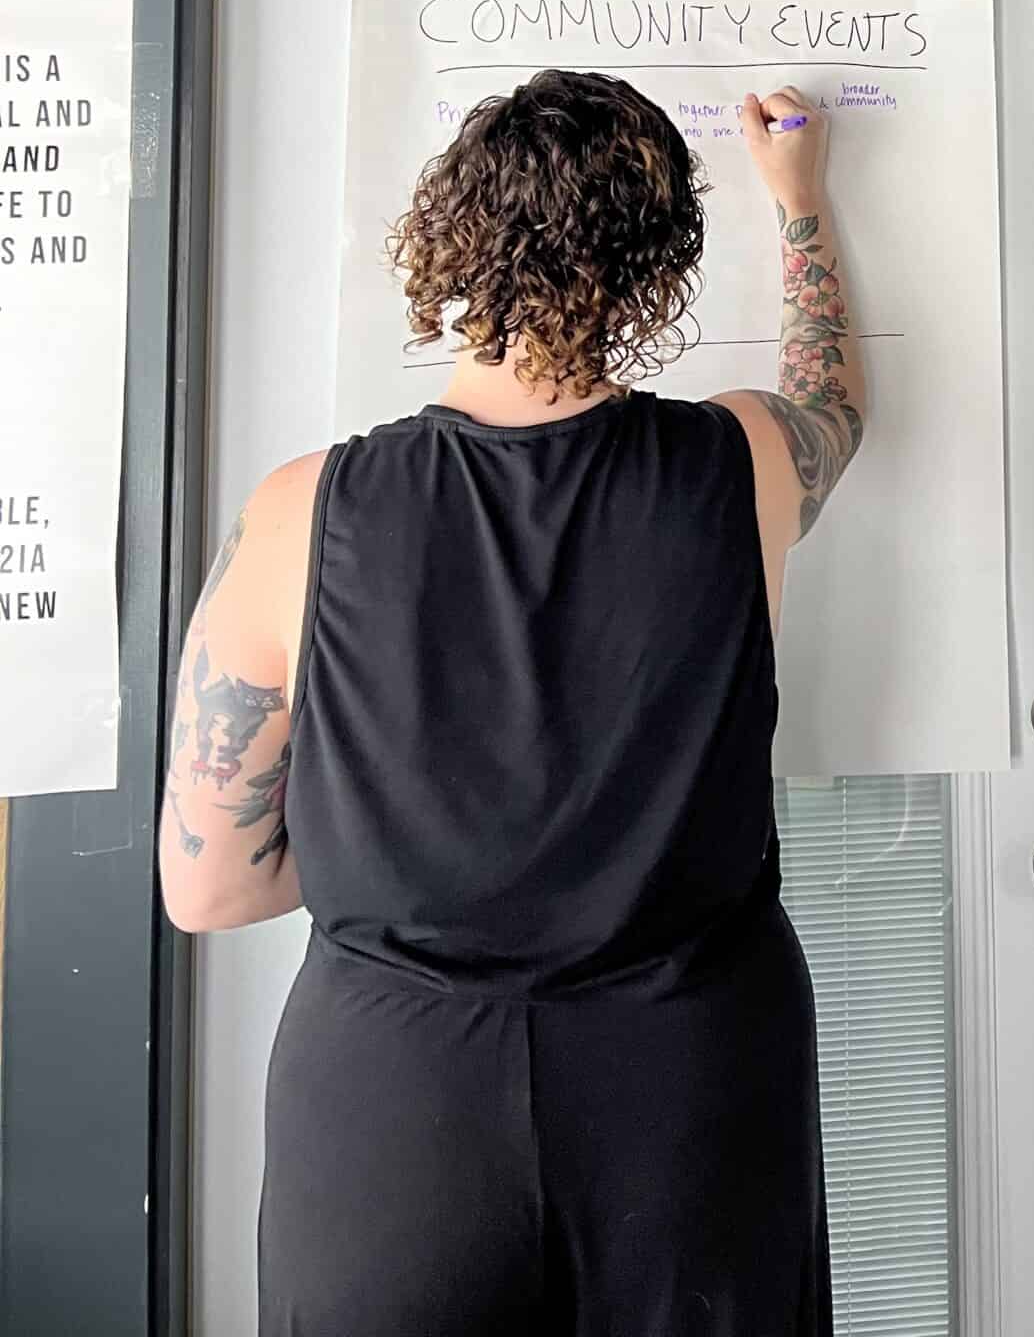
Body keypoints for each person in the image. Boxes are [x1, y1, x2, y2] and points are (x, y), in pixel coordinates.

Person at [159, 70, 863, 1337]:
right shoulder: (742, 461)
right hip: (688, 1088)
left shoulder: (300, 511)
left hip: (392, 1107)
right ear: (658, 268)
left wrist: (417, 853)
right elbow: (835, 403)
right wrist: (800, 207)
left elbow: (210, 885)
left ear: (450, 242)